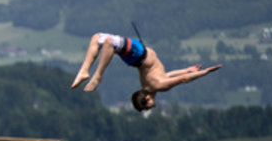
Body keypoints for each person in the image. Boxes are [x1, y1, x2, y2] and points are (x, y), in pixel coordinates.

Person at [71, 32, 222, 111]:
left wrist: (204, 72)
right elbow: (171, 75)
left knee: (107, 43)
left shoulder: (156, 86)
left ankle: (97, 76)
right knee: (97, 38)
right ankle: (84, 71)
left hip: (138, 54)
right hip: (136, 56)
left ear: (147, 98)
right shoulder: (151, 85)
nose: (154, 102)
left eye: (150, 104)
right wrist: (190, 70)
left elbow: (182, 79)